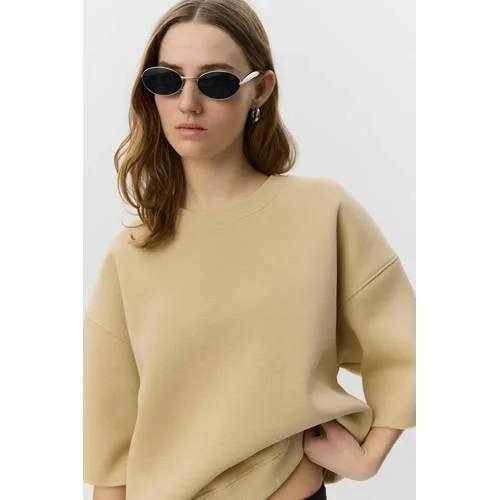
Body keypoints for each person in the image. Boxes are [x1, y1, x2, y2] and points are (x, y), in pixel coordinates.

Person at [83, 1, 416, 499]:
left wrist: (368, 458)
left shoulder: (321, 213)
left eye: (216, 82)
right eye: (167, 80)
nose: (188, 103)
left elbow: (409, 347)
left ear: (260, 89)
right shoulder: (130, 255)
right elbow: (110, 449)